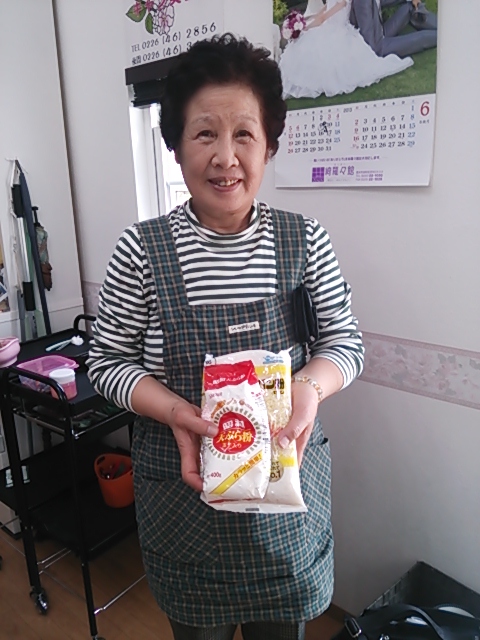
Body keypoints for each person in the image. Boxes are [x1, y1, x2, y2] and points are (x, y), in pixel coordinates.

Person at [87, 34, 364, 640]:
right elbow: (106, 362)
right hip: (182, 493)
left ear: (269, 144)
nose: (225, 156)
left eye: (244, 134)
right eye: (205, 134)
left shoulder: (304, 239)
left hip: (283, 495)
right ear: (176, 145)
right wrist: (176, 412)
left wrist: (309, 390)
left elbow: (345, 343)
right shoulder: (141, 250)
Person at [279, 0, 413, 100]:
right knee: (306, 46)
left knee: (313, 48)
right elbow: (323, 11)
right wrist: (304, 20)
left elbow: (323, 18)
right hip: (328, 27)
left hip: (337, 30)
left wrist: (304, 28)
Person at [350, 0, 437, 58]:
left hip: (381, 31)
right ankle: (443, 37)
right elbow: (370, 42)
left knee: (411, 7)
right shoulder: (362, 2)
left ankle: (442, 26)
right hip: (378, 46)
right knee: (421, 38)